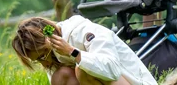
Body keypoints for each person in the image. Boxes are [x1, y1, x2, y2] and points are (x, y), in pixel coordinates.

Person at [12, 15, 157, 85]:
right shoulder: (53, 57)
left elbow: (113, 70)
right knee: (61, 75)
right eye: (37, 61)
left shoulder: (84, 31)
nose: (44, 64)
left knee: (83, 69)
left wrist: (73, 52)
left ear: (50, 37)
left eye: (43, 56)